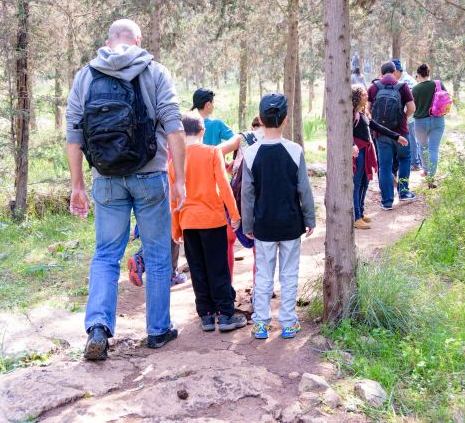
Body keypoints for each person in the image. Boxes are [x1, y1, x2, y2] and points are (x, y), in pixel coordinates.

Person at [66, 19, 186, 358]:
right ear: (138, 40)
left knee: (105, 255)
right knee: (159, 255)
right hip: (150, 176)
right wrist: (181, 181)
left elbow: (74, 134)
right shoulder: (155, 71)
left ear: (108, 41)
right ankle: (158, 330)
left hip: (105, 178)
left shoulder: (86, 76)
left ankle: (98, 329)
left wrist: (77, 186)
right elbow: (174, 127)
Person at [241, 93, 316, 340]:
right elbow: (303, 189)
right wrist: (310, 219)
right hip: (290, 225)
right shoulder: (295, 151)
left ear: (261, 120)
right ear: (285, 119)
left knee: (263, 274)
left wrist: (248, 224)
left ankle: (261, 323)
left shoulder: (250, 154)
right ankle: (287, 323)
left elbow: (247, 195)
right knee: (289, 274)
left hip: (263, 226)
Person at [170, 113, 247, 332]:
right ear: (202, 131)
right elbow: (223, 185)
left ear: (182, 134)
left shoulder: (174, 161)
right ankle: (225, 315)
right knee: (218, 267)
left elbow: (174, 199)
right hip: (212, 220)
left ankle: (205, 315)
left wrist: (175, 227)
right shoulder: (212, 152)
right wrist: (234, 214)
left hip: (188, 222)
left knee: (197, 268)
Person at [351, 85, 407, 229]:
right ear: (357, 97)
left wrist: (397, 137)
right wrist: (352, 145)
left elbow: (377, 127)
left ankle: (361, 213)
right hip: (359, 152)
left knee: (365, 182)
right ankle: (355, 217)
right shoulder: (351, 115)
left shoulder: (362, 114)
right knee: (356, 183)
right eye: (364, 95)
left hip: (367, 151)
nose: (366, 97)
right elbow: (347, 132)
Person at [368, 61, 416, 210]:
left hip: (381, 133)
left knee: (384, 165)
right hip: (401, 131)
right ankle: (403, 192)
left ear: (381, 73)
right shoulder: (402, 87)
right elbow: (412, 107)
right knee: (404, 159)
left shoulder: (374, 87)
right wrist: (404, 118)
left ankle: (387, 201)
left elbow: (368, 110)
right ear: (395, 72)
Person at [412, 63, 446, 188]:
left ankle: (425, 170)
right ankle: (431, 177)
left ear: (419, 75)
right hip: (438, 120)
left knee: (422, 147)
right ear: (428, 73)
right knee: (433, 149)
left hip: (420, 122)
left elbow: (411, 106)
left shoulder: (415, 89)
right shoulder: (438, 84)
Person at [392, 59, 421, 171]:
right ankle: (415, 161)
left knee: (411, 139)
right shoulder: (409, 79)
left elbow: (409, 101)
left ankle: (415, 163)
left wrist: (404, 115)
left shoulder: (405, 82)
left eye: (394, 72)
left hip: (409, 115)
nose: (393, 75)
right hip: (410, 114)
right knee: (412, 138)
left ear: (398, 71)